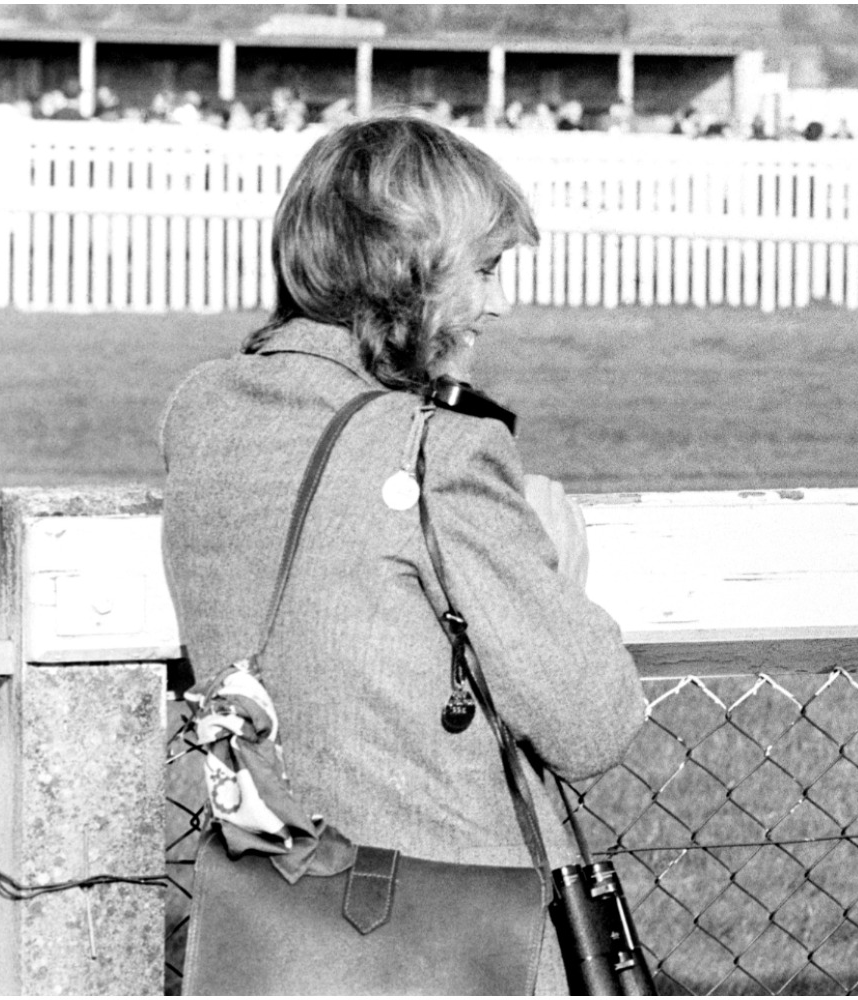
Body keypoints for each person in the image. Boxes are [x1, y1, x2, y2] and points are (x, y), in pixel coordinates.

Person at [158, 114, 648, 993]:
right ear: (406, 272)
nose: (501, 305)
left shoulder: (204, 411)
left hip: (265, 906)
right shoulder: (439, 451)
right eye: (487, 270)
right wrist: (558, 578)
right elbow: (591, 722)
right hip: (442, 929)